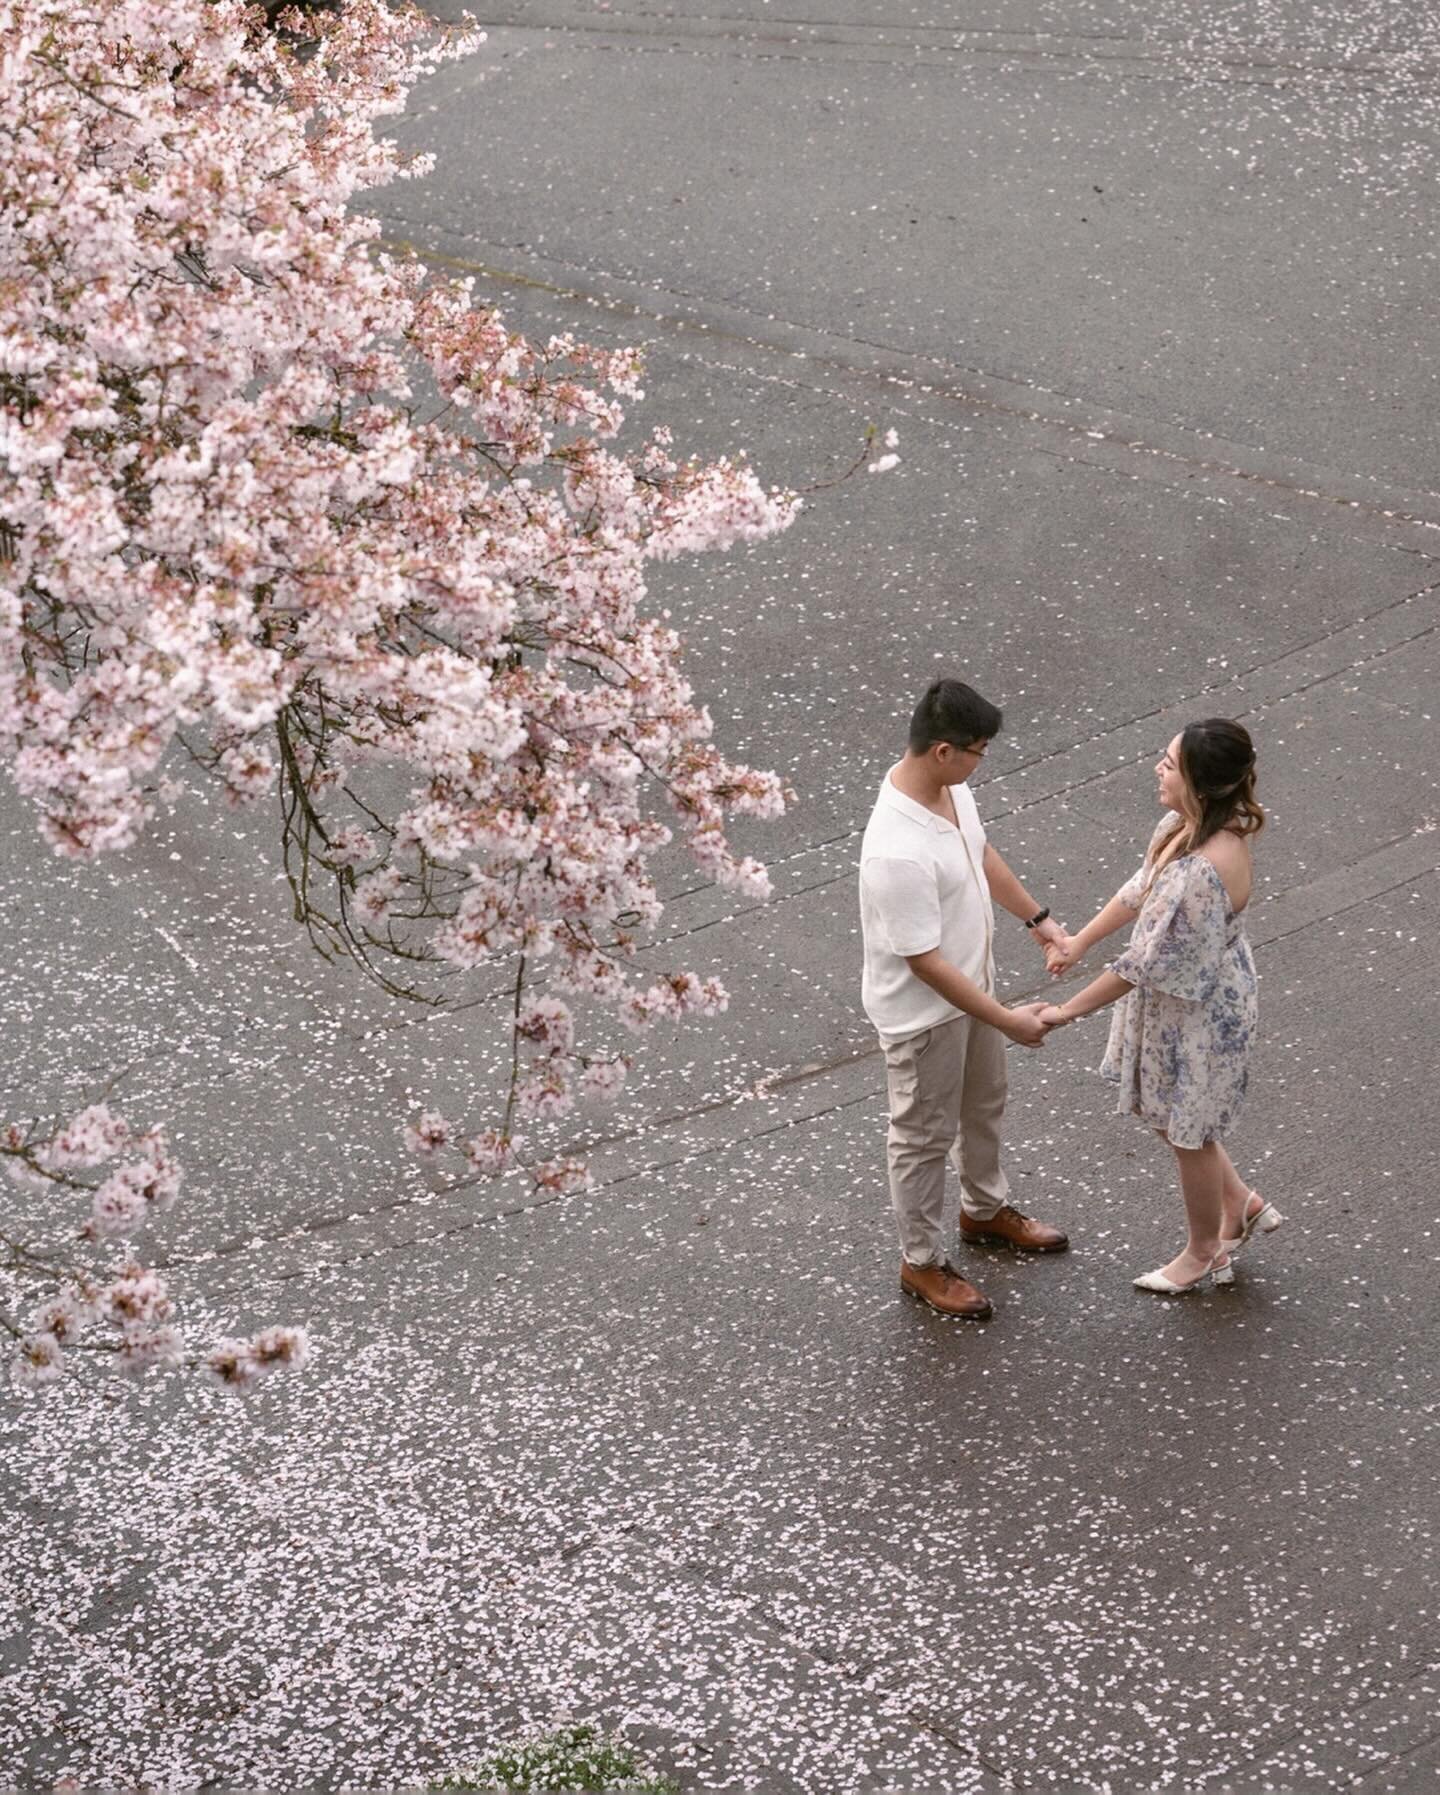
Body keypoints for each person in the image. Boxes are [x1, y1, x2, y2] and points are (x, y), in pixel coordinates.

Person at [1039, 718, 1284, 1293]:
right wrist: (1079, 941)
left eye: (1170, 763)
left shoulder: (1204, 868)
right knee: (1178, 1121)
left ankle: (1204, 1253)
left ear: (1199, 782)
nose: (1158, 767)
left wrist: (1066, 1011)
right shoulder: (1184, 826)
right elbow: (1141, 888)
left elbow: (1144, 965)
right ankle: (1239, 1205)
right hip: (1186, 998)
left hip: (1199, 1013)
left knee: (1186, 1133)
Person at [859, 677, 1071, 1321]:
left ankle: (983, 1211)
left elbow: (979, 855)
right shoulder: (896, 849)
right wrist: (1007, 1020)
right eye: (979, 749)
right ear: (943, 751)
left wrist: (1039, 921)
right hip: (926, 1017)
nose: (984, 760)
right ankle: (920, 1262)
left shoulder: (952, 789)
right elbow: (923, 964)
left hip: (973, 993)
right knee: (922, 1138)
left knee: (983, 1105)